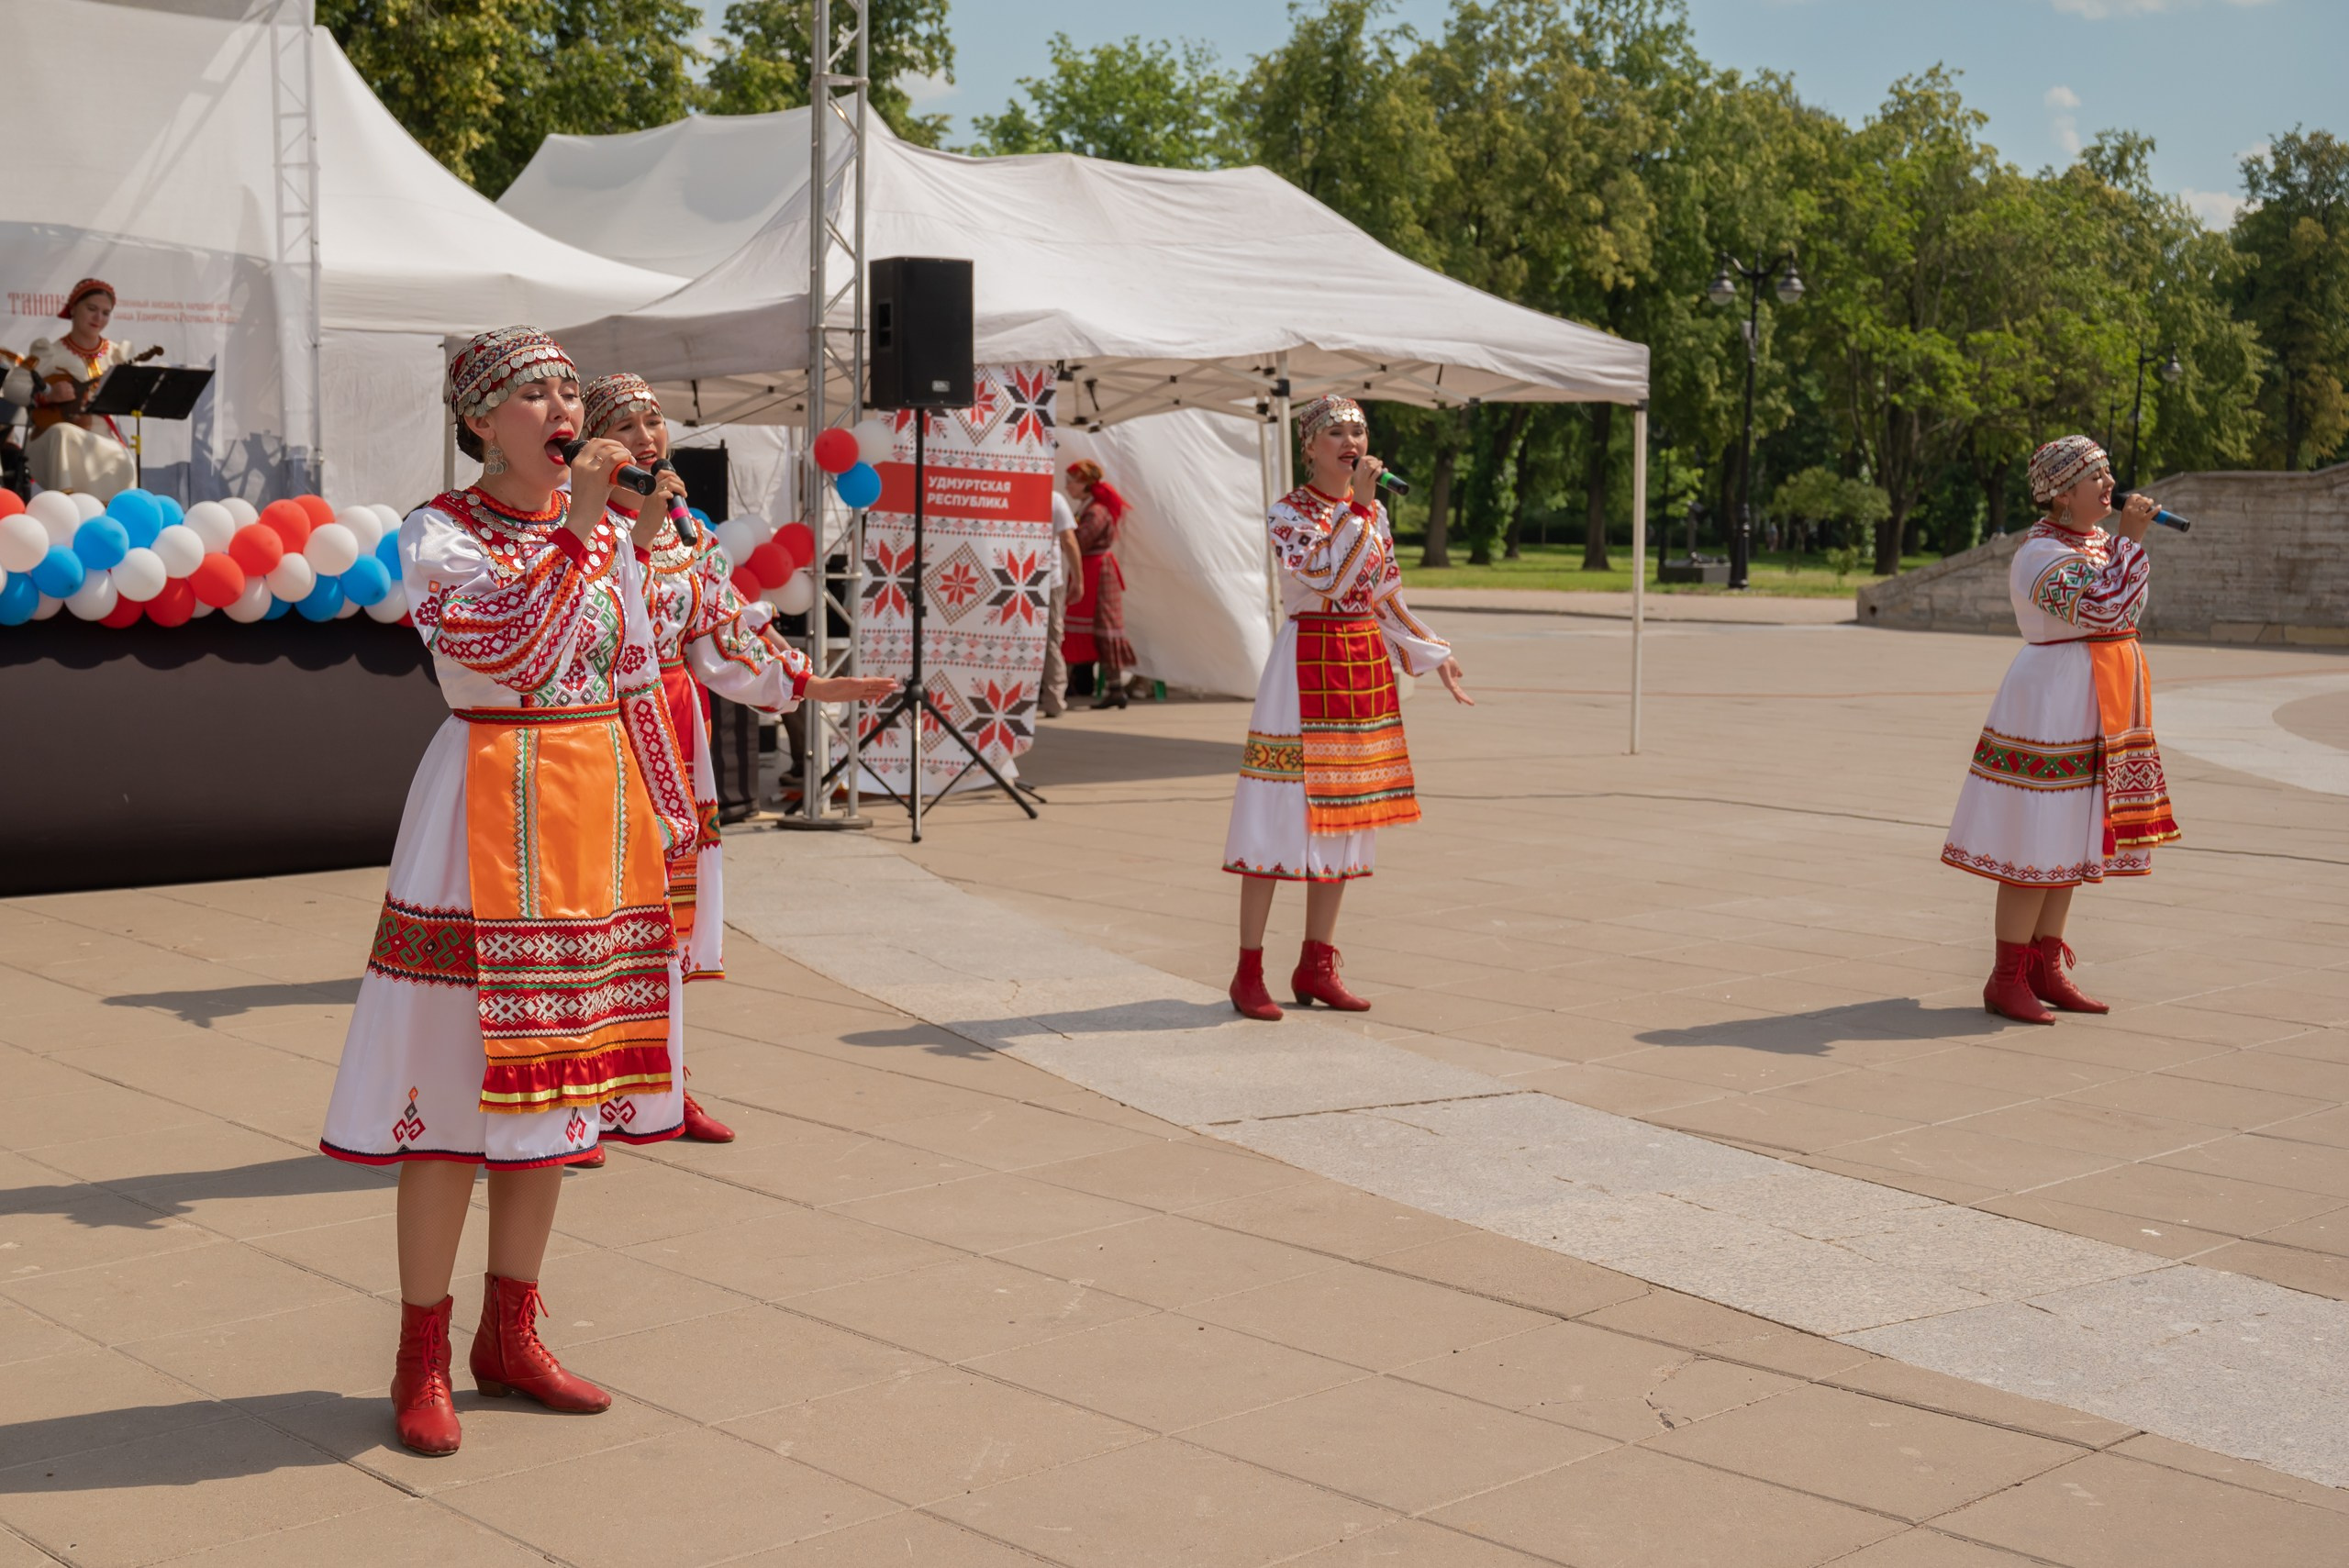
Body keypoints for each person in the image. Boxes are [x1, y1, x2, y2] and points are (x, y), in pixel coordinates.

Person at [318, 327, 700, 1458]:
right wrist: (582, 525)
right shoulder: (438, 533)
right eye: (532, 393)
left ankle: (511, 1334)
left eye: (568, 390)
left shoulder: (605, 533)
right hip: (488, 802)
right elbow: (512, 651)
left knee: (556, 1094)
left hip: (588, 810)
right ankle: (420, 1353)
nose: (560, 408)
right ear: (481, 419)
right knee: (452, 1098)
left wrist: (670, 815)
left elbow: (634, 669)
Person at [582, 372, 896, 1146]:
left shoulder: (688, 530)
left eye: (654, 420)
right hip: (597, 729)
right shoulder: (576, 523)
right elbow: (590, 616)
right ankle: (577, 1101)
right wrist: (639, 529)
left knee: (665, 917)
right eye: (624, 425)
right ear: (592, 442)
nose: (646, 438)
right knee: (595, 916)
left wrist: (809, 683)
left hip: (673, 727)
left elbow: (720, 631)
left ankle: (660, 1089)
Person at [1222, 395, 1473, 1018]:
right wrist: (1357, 508)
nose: (1350, 441)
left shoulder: (1375, 512)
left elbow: (1383, 595)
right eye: (1335, 431)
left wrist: (1433, 651)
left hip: (1360, 666)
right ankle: (1248, 970)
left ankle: (1317, 961)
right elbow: (1329, 578)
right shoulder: (1289, 513)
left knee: (1345, 816)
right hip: (1304, 666)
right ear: (1309, 446)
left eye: (1358, 430)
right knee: (1279, 813)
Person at [1943, 435, 2180, 1024]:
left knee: (2071, 834)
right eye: (2095, 476)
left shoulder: (2097, 543)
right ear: (2061, 494)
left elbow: (2128, 610)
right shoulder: (2039, 555)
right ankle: (2006, 978)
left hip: (2096, 701)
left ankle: (2045, 966)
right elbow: (2102, 609)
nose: (2110, 484)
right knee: (2038, 837)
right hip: (2053, 703)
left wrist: (2122, 544)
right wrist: (2131, 540)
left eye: (2108, 473)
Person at [16, 279, 159, 501]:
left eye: (105, 313)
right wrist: (49, 395)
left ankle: (111, 513)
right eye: (91, 309)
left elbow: (138, 394)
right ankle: (67, 507)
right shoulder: (49, 351)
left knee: (122, 457)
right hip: (51, 434)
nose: (98, 318)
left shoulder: (117, 354)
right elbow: (13, 385)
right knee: (63, 433)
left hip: (102, 436)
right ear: (73, 308)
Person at [1061, 460, 1137, 709]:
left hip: (1098, 573)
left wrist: (1061, 535)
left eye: (1071, 482)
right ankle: (1111, 689)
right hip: (1092, 569)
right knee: (1096, 629)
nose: (1067, 486)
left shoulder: (1096, 511)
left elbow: (1081, 541)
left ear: (1084, 483)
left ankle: (1063, 688)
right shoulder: (1090, 507)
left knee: (1104, 629)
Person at [1039, 483, 1082, 717]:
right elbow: (1069, 540)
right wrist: (1078, 578)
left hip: (1027, 577)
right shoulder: (1054, 499)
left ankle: (1051, 699)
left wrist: (1078, 578)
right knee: (1051, 641)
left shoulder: (1052, 499)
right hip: (1047, 579)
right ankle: (1053, 700)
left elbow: (1068, 539)